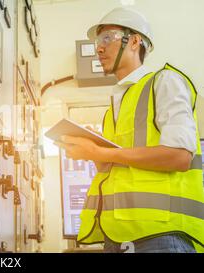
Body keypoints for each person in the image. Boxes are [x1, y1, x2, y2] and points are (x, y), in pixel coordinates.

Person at [56, 7, 204, 253]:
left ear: (135, 41)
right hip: (118, 237)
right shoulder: (114, 107)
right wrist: (89, 152)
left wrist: (100, 153)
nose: (99, 48)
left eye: (107, 38)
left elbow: (179, 156)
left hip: (162, 235)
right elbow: (112, 167)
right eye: (97, 42)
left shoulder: (165, 81)